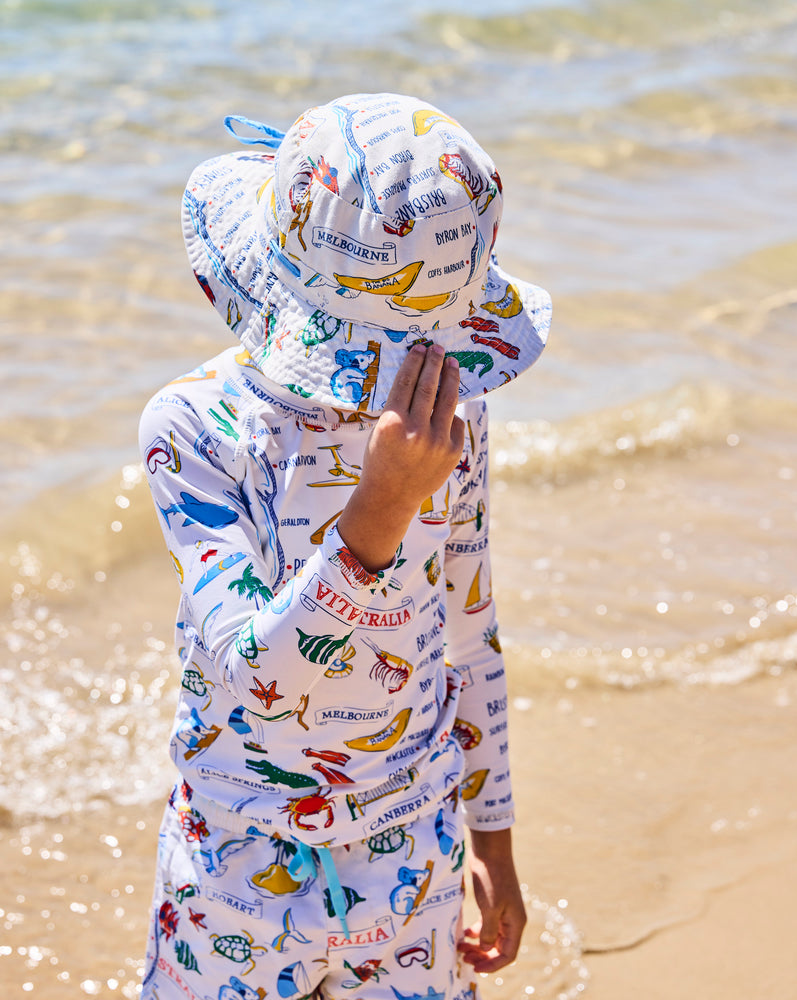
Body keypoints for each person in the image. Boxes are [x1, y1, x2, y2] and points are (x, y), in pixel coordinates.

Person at [139, 91, 551, 1000]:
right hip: (236, 863)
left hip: (414, 852)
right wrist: (382, 508)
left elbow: (470, 631)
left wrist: (493, 837)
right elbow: (252, 668)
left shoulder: (453, 419)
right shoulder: (196, 428)